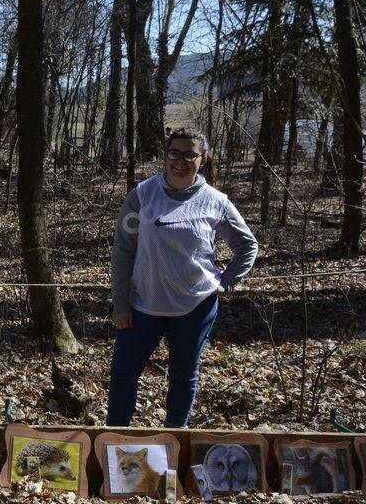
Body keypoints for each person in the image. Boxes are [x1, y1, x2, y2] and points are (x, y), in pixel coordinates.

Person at [108, 127, 258, 428]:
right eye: (174, 153)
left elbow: (247, 245)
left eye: (190, 154)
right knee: (123, 373)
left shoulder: (216, 201)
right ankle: (114, 438)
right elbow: (123, 250)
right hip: (142, 305)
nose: (180, 161)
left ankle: (175, 440)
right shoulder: (142, 195)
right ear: (165, 156)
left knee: (182, 377)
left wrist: (225, 283)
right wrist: (120, 303)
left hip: (195, 306)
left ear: (202, 160)